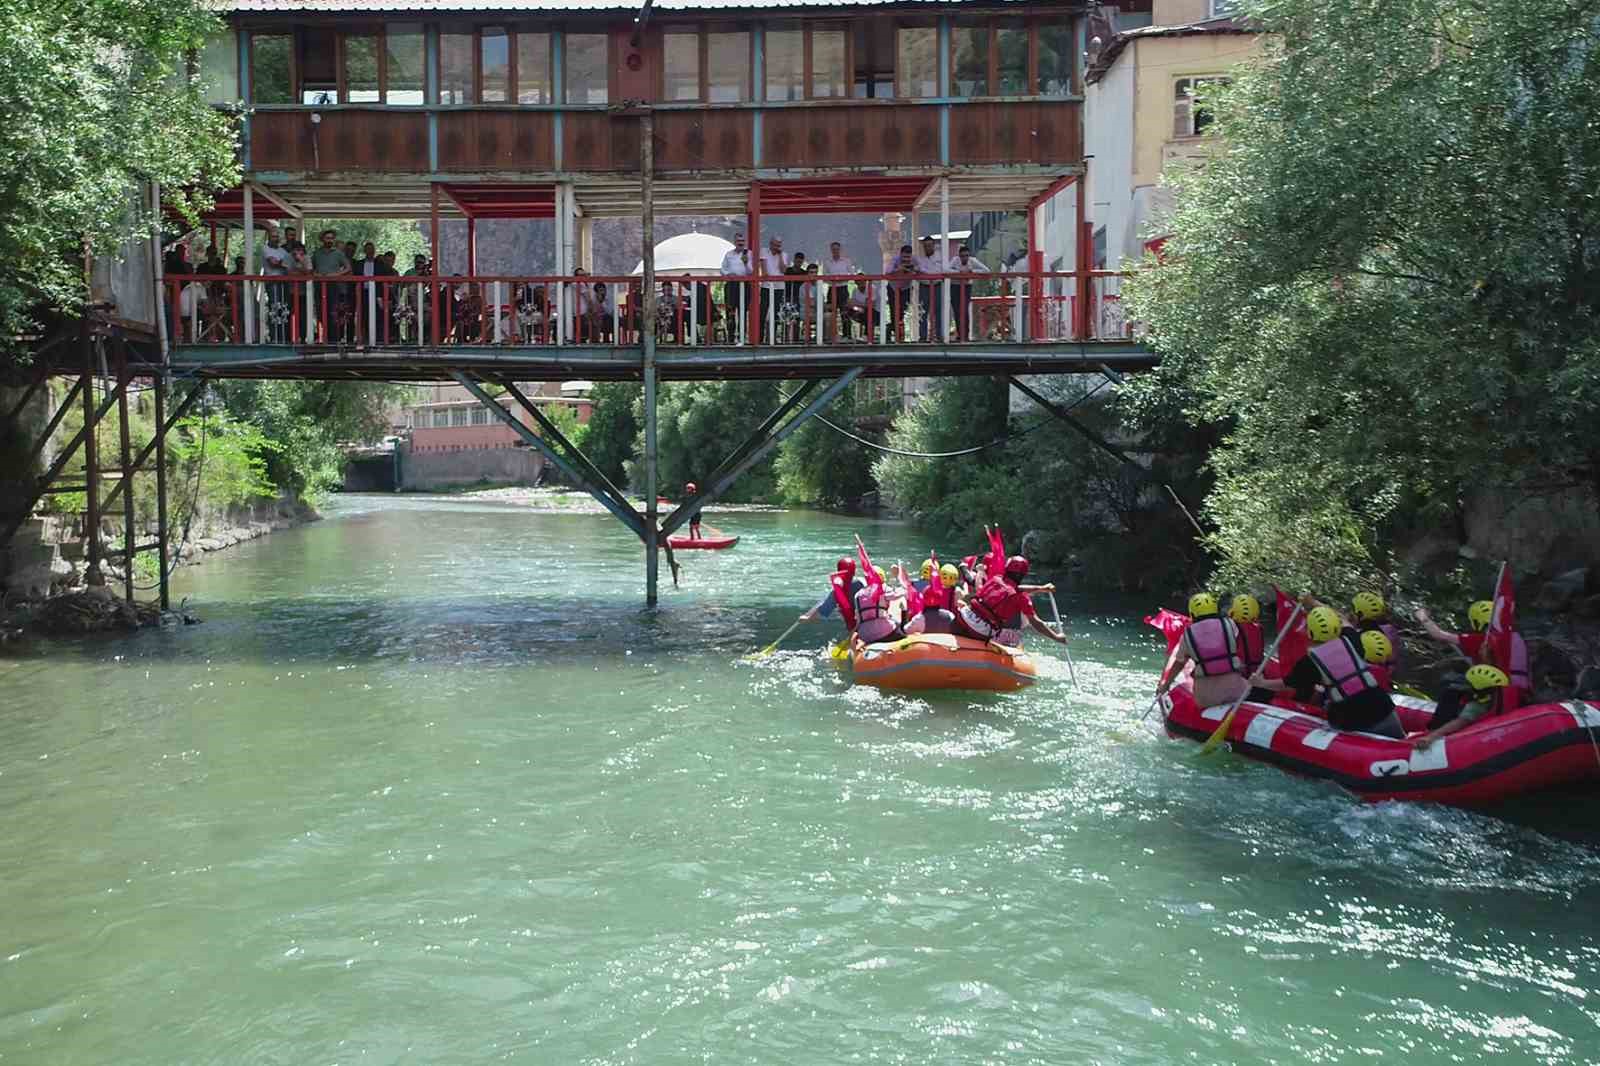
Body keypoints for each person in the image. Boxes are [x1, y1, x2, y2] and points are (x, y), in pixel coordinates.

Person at [1250, 604, 1404, 738]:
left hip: (1355, 719)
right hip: (1386, 709)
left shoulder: (1310, 661)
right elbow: (1344, 620)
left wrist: (1261, 682)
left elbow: (1287, 684)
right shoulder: (1352, 639)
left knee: (1331, 710)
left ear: (1309, 633)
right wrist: (1314, 603)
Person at [1417, 599, 1530, 710]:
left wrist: (1423, 618)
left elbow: (1439, 635)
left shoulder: (1483, 639)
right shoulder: (1516, 637)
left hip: (1502, 690)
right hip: (1523, 687)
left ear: (1478, 621)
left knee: (1450, 688)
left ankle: (1439, 725)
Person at [951, 554, 1068, 648]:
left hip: (963, 616)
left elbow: (1013, 588)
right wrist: (1056, 637)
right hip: (981, 630)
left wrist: (1041, 589)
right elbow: (1036, 623)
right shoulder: (1021, 598)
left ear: (1007, 569)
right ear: (1022, 575)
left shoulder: (995, 579)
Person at [1157, 592, 1247, 710]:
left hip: (1205, 699)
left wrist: (1166, 684)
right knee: (1247, 684)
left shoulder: (1187, 634)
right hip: (1236, 692)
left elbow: (1180, 662)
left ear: (1192, 614)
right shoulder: (1230, 624)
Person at [1412, 665, 1510, 749]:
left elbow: (1459, 722)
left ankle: (1432, 729)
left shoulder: (1476, 707)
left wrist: (1431, 737)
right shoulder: (1497, 697)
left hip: (1460, 735)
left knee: (1450, 694)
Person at [311, 229, 352, 342]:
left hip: (334, 286)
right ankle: (323, 337)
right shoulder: (317, 253)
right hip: (319, 286)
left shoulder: (338, 253)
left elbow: (348, 268)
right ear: (322, 239)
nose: (330, 240)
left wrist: (336, 274)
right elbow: (311, 269)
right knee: (320, 311)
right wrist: (317, 275)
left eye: (331, 238)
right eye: (327, 238)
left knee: (333, 312)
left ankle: (335, 339)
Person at [1352, 591, 1405, 671]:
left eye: (1353, 611)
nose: (1350, 613)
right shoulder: (1383, 631)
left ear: (1361, 614)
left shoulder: (1363, 636)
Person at [947, 244, 989, 341]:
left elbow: (986, 270)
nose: (964, 258)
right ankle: (960, 334)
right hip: (955, 287)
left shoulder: (972, 261)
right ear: (959, 256)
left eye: (966, 255)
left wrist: (972, 271)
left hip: (966, 287)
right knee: (957, 311)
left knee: (964, 310)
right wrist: (959, 272)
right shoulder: (955, 260)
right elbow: (946, 269)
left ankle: (965, 335)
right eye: (962, 256)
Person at [259, 225, 293, 343]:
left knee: (284, 309)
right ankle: (274, 337)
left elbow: (290, 265)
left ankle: (283, 336)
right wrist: (282, 264)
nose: (275, 238)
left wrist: (282, 263)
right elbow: (272, 262)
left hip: (283, 283)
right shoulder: (265, 248)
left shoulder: (282, 250)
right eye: (273, 236)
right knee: (274, 308)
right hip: (272, 282)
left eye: (277, 236)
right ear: (269, 237)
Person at [719, 234, 753, 339]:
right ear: (735, 242)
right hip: (731, 285)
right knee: (730, 311)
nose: (740, 243)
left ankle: (742, 336)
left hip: (744, 284)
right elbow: (722, 269)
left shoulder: (749, 254)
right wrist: (728, 274)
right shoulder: (729, 254)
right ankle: (731, 336)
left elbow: (751, 272)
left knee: (743, 311)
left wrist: (746, 263)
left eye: (742, 241)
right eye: (738, 241)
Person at [821, 241, 856, 342]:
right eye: (833, 249)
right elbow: (824, 277)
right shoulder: (827, 261)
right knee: (831, 312)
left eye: (837, 249)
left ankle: (847, 336)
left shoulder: (846, 261)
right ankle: (830, 335)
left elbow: (852, 275)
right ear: (831, 250)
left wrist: (842, 279)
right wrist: (833, 280)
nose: (835, 251)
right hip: (832, 288)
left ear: (840, 250)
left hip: (843, 288)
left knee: (845, 312)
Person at [913, 235, 945, 341]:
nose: (928, 248)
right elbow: (916, 272)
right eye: (926, 246)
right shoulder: (919, 258)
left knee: (938, 311)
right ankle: (923, 337)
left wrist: (924, 272)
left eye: (930, 245)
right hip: (924, 286)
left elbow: (939, 271)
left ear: (934, 246)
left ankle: (939, 336)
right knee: (922, 312)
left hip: (936, 285)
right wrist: (922, 272)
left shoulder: (940, 257)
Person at [758, 235, 788, 342]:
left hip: (779, 287)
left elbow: (783, 270)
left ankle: (772, 338)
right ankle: (760, 338)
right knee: (763, 312)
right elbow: (764, 271)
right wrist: (768, 277)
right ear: (771, 244)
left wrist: (779, 256)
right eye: (775, 245)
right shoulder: (764, 251)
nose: (777, 247)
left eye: (779, 245)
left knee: (775, 313)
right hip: (766, 286)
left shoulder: (784, 255)